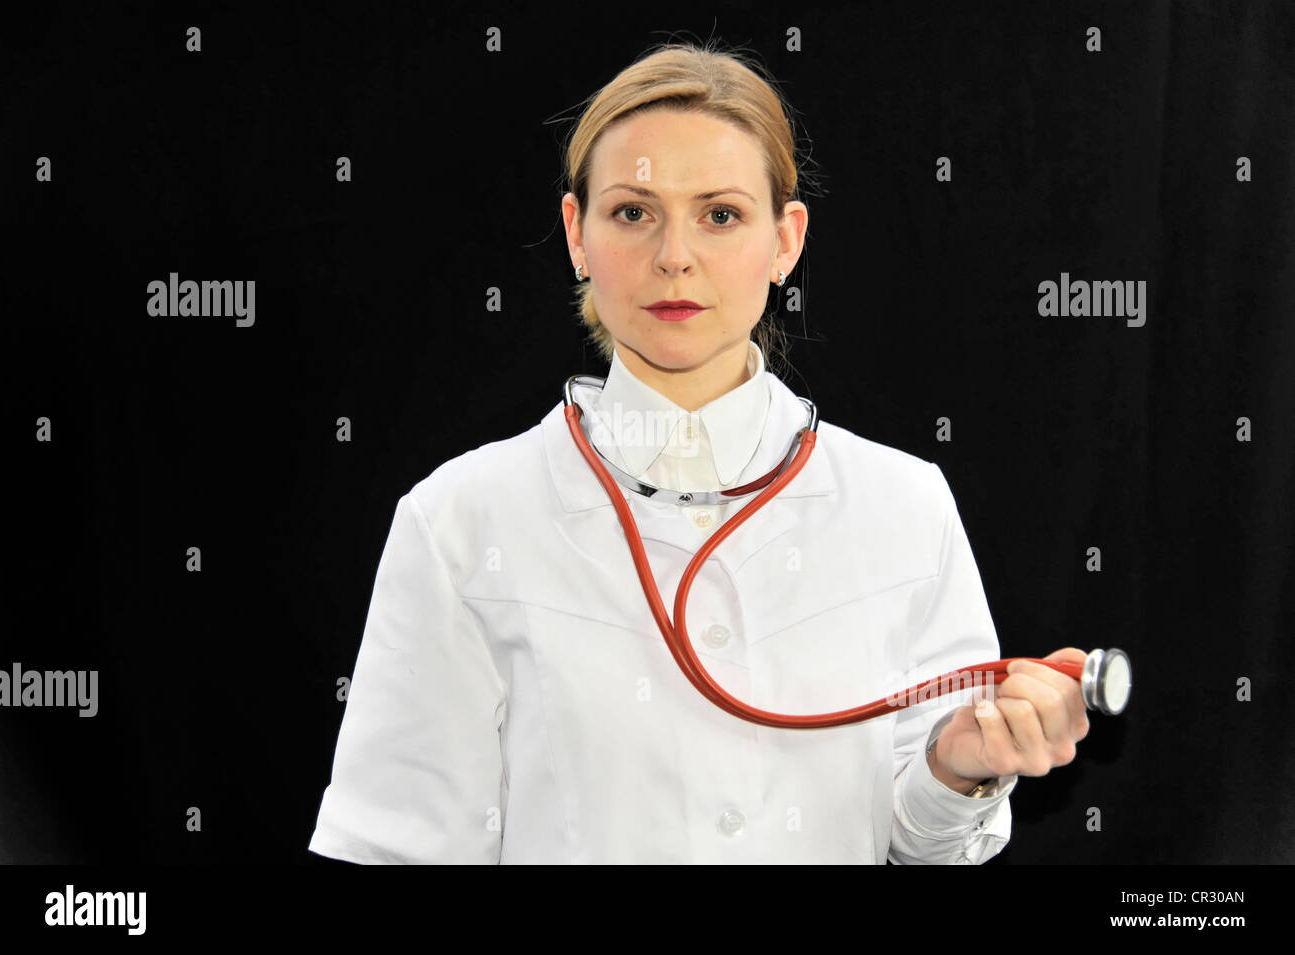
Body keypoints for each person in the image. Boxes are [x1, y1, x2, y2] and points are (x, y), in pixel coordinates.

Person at [307, 41, 1090, 865]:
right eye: (633, 212)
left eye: (720, 214)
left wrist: (955, 768)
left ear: (786, 241)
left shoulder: (905, 505)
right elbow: (395, 848)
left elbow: (930, 844)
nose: (674, 256)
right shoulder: (459, 521)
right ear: (576, 233)